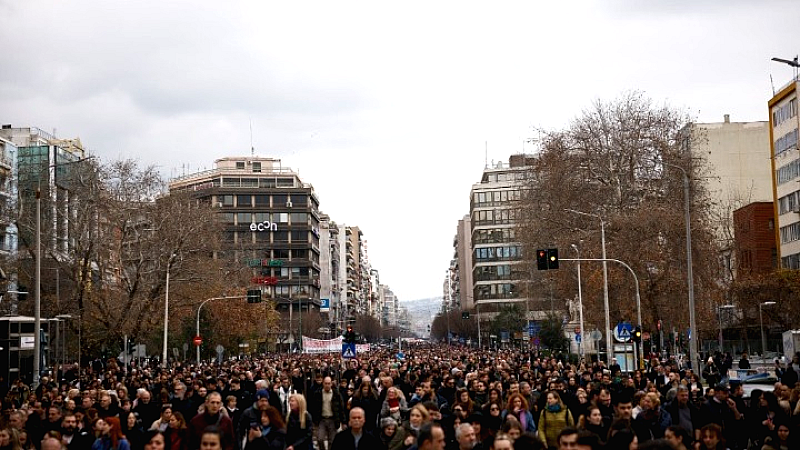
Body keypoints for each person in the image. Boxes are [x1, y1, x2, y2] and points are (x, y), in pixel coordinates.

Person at [309, 377, 344, 450]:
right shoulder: (318, 393)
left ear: (331, 384)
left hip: (333, 420)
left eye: (329, 383)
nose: (327, 385)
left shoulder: (336, 394)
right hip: (322, 419)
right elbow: (313, 407)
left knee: (332, 441)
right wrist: (314, 420)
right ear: (323, 384)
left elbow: (341, 407)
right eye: (326, 383)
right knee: (320, 439)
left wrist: (343, 421)